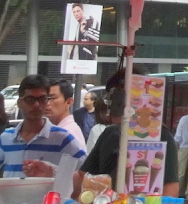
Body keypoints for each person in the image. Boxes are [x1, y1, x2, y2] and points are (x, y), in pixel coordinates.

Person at [73, 67, 179, 198]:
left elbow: (171, 188)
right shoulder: (110, 133)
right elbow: (82, 176)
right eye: (110, 100)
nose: (111, 106)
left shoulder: (161, 136)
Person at [0, 74, 85, 188]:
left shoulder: (62, 138)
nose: (36, 105)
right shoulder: (6, 138)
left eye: (42, 99)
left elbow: (86, 173)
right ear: (19, 103)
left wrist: (53, 172)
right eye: (30, 99)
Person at [45, 79, 87, 151]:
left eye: (52, 98)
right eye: (44, 98)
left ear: (68, 102)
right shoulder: (53, 129)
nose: (47, 103)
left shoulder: (69, 133)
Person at [173, 107, 188, 197]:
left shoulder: (184, 119)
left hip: (184, 148)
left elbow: (178, 136)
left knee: (180, 172)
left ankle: (177, 193)